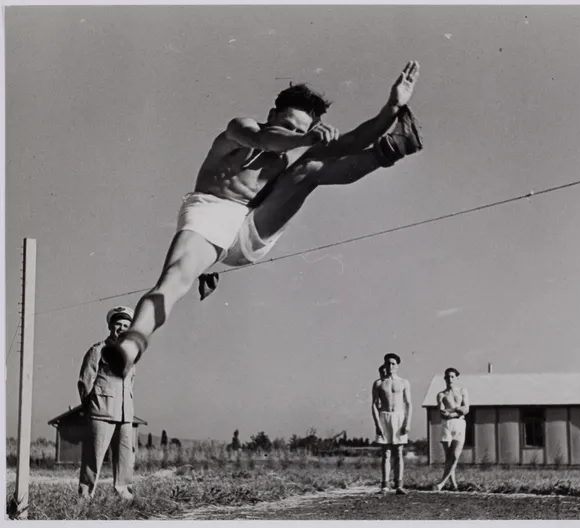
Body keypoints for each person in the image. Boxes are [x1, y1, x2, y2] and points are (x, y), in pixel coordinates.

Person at [105, 61, 423, 377]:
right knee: (175, 277)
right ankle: (131, 346)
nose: (294, 135)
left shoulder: (299, 150)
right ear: (271, 116)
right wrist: (305, 139)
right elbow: (263, 140)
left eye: (301, 130)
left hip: (252, 228)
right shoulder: (240, 129)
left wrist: (393, 107)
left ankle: (390, 150)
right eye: (287, 125)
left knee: (310, 169)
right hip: (211, 211)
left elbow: (353, 141)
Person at [77, 306, 137, 500]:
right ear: (110, 326)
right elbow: (85, 382)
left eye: (126, 325)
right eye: (118, 324)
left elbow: (130, 383)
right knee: (93, 458)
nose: (121, 329)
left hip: (125, 414)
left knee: (125, 458)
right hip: (101, 412)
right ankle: (85, 496)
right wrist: (91, 407)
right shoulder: (98, 350)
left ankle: (123, 494)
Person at [371, 353, 412, 495]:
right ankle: (385, 485)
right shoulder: (379, 383)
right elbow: (375, 405)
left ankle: (399, 484)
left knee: (399, 452)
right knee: (386, 453)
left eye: (393, 363)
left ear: (397, 366)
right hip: (384, 417)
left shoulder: (404, 382)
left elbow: (408, 403)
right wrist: (377, 424)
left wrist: (407, 422)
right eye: (388, 363)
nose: (390, 366)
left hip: (399, 417)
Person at [433, 367, 469, 491]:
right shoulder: (441, 394)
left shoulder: (463, 391)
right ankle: (454, 484)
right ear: (444, 378)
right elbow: (442, 412)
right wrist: (457, 410)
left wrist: (452, 412)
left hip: (459, 424)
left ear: (457, 378)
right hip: (446, 425)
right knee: (448, 457)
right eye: (448, 377)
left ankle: (441, 483)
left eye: (452, 376)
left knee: (455, 456)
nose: (450, 379)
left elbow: (466, 409)